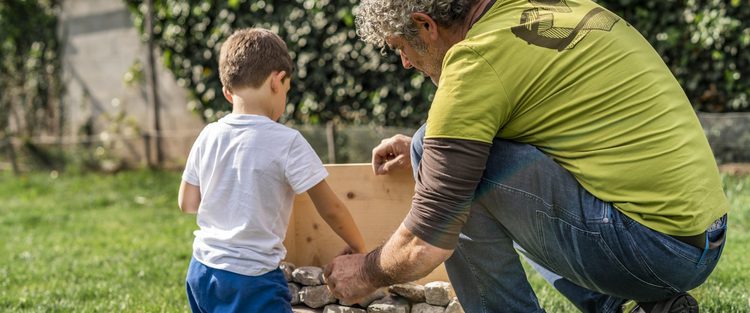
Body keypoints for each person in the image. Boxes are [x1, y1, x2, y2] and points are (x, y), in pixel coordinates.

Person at [324, 1, 728, 312]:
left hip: (654, 250)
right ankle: (631, 305)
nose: (406, 62)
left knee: (444, 163)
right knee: (428, 143)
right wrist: (435, 145)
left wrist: (365, 272)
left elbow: (425, 244)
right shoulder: (542, 9)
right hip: (700, 237)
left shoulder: (475, 58)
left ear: (425, 24)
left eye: (401, 47)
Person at [178, 28, 366, 313]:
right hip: (253, 280)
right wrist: (358, 245)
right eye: (287, 92)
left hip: (202, 271)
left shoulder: (208, 134)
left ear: (228, 92)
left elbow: (187, 203)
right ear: (277, 81)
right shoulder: (287, 142)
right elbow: (331, 208)